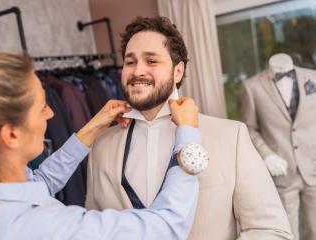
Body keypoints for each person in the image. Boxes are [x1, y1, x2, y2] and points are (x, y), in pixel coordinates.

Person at [0, 52, 202, 240]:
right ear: (11, 135)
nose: (51, 115)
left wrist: (91, 129)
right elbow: (168, 226)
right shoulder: (45, 228)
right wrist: (188, 136)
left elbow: (39, 184)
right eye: (43, 106)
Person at [85, 16, 293, 239]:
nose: (138, 71)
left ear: (178, 72)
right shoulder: (101, 146)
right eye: (130, 62)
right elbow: (92, 230)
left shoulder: (231, 137)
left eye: (151, 61)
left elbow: (271, 230)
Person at [241, 53, 316, 239]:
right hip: (281, 172)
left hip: (313, 165)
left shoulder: (312, 77)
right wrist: (267, 155)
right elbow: (249, 128)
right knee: (287, 232)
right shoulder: (252, 87)